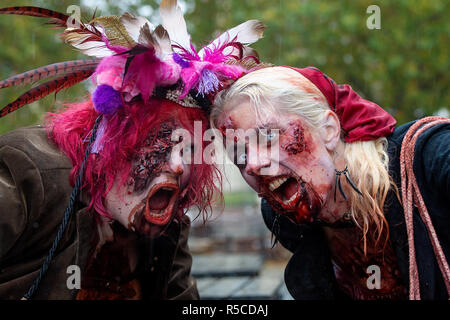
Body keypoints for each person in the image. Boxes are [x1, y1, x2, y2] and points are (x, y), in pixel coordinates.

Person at [0, 1, 264, 300]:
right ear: (114, 138)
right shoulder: (29, 174)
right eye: (163, 140)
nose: (178, 166)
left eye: (190, 150)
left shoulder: (168, 227)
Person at [211, 66, 450, 300]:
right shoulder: (285, 221)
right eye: (239, 156)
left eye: (269, 136)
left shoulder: (430, 158)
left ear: (329, 129)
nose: (252, 164)